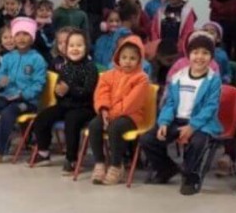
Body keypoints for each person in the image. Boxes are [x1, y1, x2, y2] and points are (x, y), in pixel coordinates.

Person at [140, 30, 224, 195]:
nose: (200, 57)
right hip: (176, 120)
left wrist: (192, 126)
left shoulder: (214, 80)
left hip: (200, 124)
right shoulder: (178, 77)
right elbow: (170, 103)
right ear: (188, 54)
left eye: (205, 53)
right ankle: (167, 169)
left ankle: (190, 176)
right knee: (148, 139)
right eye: (195, 52)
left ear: (211, 56)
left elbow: (210, 107)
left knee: (198, 142)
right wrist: (164, 122)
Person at [0, 17, 48, 165]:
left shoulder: (38, 59)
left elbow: (39, 84)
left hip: (27, 101)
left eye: (25, 34)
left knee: (8, 113)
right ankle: (3, 140)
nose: (21, 38)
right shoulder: (9, 57)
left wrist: (23, 94)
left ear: (32, 37)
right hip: (7, 96)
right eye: (18, 34)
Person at [29, 30, 98, 173]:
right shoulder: (65, 67)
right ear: (66, 49)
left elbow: (87, 91)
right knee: (43, 117)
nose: (75, 49)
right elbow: (60, 90)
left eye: (79, 45)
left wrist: (69, 89)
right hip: (66, 104)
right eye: (71, 45)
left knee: (71, 121)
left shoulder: (90, 67)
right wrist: (58, 91)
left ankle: (71, 159)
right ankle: (43, 153)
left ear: (86, 48)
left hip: (84, 107)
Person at [88, 36, 151, 185]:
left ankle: (117, 165)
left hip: (131, 117)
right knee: (94, 125)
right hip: (108, 113)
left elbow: (131, 103)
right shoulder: (108, 75)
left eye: (132, 58)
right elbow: (101, 94)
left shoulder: (142, 78)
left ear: (139, 60)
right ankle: (100, 163)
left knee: (116, 127)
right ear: (117, 57)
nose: (127, 61)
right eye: (124, 57)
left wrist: (111, 115)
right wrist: (103, 110)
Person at [149, 0, 198, 83]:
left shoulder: (187, 12)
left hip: (177, 52)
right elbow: (154, 30)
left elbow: (187, 33)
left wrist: (177, 49)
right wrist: (158, 46)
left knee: (176, 77)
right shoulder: (161, 11)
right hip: (161, 51)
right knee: (161, 76)